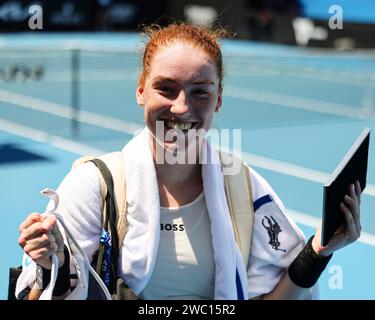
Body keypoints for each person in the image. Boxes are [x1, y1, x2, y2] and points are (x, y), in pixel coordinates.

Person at [16, 23, 361, 300]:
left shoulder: (244, 188)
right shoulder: (94, 185)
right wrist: (53, 268)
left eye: (200, 91)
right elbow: (45, 293)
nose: (181, 108)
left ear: (219, 100)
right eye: (165, 88)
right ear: (140, 92)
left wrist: (318, 251)